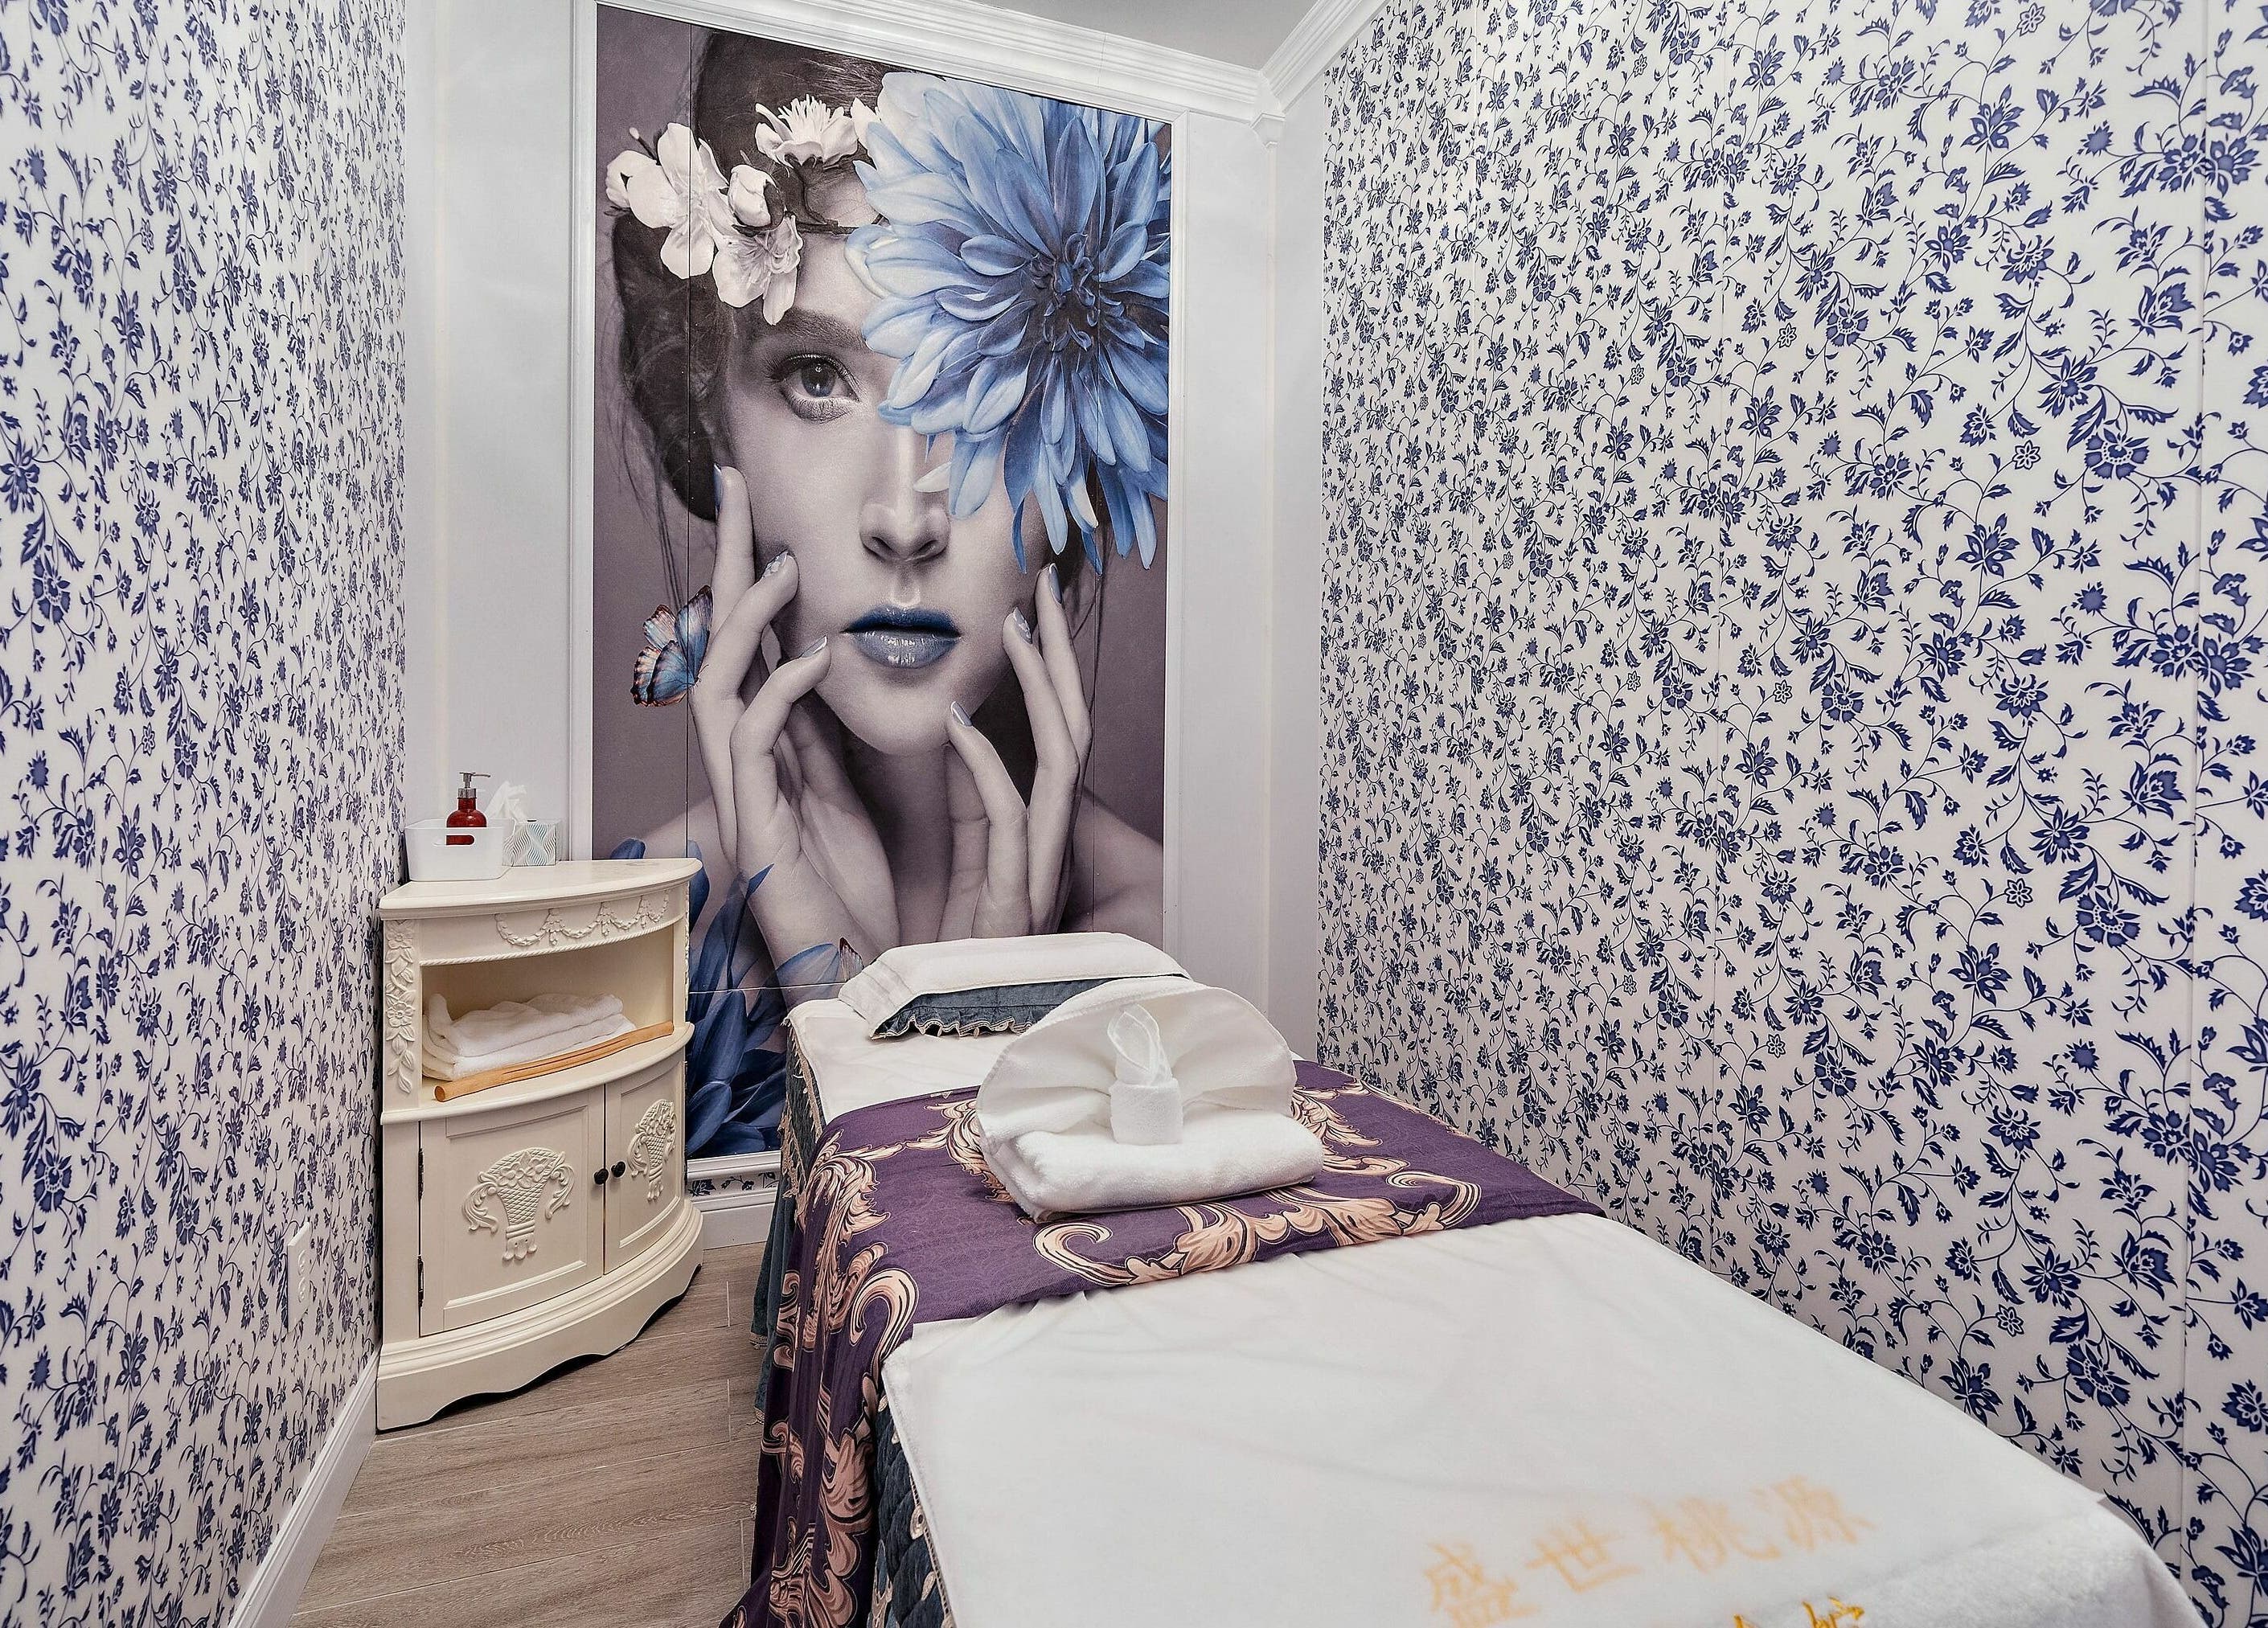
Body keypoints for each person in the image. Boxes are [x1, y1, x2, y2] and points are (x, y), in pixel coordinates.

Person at [605, 35, 1167, 1021]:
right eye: (818, 380)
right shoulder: (604, 963)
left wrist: (966, 1018)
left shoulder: (1180, 956)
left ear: (1090, 426)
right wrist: (834, 999)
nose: (906, 517)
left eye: (983, 384)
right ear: (709, 415)